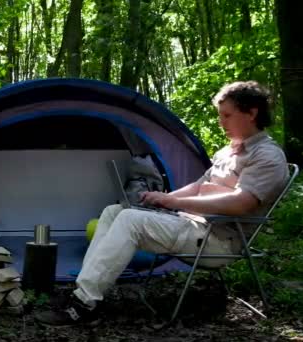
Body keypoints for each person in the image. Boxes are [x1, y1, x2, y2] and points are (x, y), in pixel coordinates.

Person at [35, 81, 289, 326]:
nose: (221, 121)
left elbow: (241, 203)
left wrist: (182, 201)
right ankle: (84, 289)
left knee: (129, 220)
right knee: (115, 211)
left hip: (219, 239)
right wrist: (167, 199)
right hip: (193, 225)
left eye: (227, 115)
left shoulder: (267, 156)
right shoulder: (228, 152)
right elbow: (200, 185)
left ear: (252, 113)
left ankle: (83, 306)